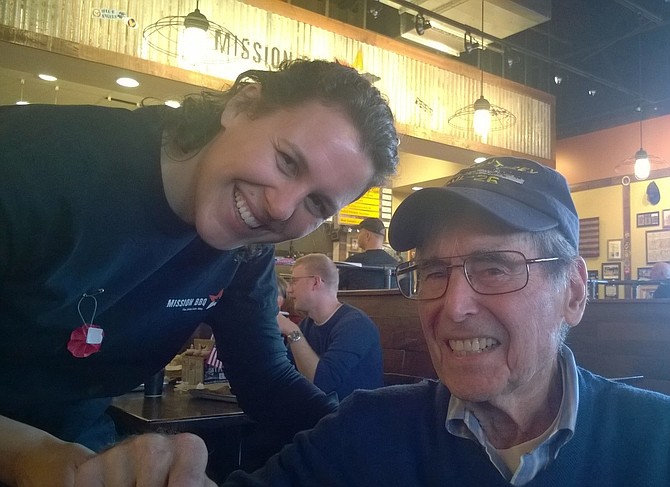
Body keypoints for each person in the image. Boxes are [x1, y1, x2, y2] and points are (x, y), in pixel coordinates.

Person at [0, 59, 399, 486]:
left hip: (78, 448)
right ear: (242, 107)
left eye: (317, 204)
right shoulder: (33, 161)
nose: (281, 208)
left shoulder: (245, 251)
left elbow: (265, 380)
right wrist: (29, 455)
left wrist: (374, 450)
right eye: (286, 161)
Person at [225, 157, 670, 486]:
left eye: (496, 267)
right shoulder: (368, 430)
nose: (454, 307)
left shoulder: (654, 440)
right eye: (434, 272)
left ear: (572, 292)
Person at [277, 253, 384, 399]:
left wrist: (292, 331)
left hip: (354, 417)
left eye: (294, 281)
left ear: (316, 282)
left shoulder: (355, 325)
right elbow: (285, 371)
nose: (289, 290)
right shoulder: (307, 324)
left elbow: (322, 383)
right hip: (320, 416)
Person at [339, 217, 399, 289]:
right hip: (390, 300)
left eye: (359, 232)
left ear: (367, 236)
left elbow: (337, 288)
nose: (357, 236)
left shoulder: (353, 263)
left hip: (358, 300)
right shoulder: (396, 266)